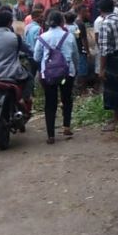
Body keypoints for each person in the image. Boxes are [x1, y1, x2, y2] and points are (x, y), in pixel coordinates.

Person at [0, 11, 34, 142]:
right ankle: (25, 100)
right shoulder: (14, 38)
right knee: (30, 77)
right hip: (12, 74)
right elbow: (28, 50)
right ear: (10, 23)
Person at [33, 10, 79, 144]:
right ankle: (66, 127)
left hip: (48, 75)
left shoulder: (43, 37)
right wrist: (74, 70)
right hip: (66, 73)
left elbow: (36, 57)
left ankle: (51, 135)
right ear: (61, 22)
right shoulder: (69, 36)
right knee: (67, 99)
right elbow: (75, 55)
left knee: (50, 103)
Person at [97, 0, 118, 131]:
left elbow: (104, 50)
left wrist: (102, 68)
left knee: (113, 89)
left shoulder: (105, 24)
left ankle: (116, 119)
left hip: (113, 59)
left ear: (100, 11)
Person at [73, 4, 91, 90]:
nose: (87, 13)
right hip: (81, 50)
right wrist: (88, 52)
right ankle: (83, 90)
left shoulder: (75, 22)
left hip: (76, 49)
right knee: (82, 70)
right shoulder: (80, 24)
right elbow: (83, 39)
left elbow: (77, 36)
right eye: (86, 11)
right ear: (81, 12)